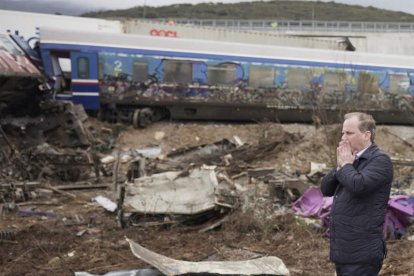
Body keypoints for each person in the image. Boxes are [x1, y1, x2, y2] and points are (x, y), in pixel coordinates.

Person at [321, 112, 393, 276]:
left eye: (349, 133)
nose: (343, 138)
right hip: (344, 252)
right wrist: (340, 166)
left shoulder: (380, 160)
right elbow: (326, 189)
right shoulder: (351, 160)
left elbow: (358, 185)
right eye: (343, 133)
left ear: (366, 135)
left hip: (362, 253)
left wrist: (346, 165)